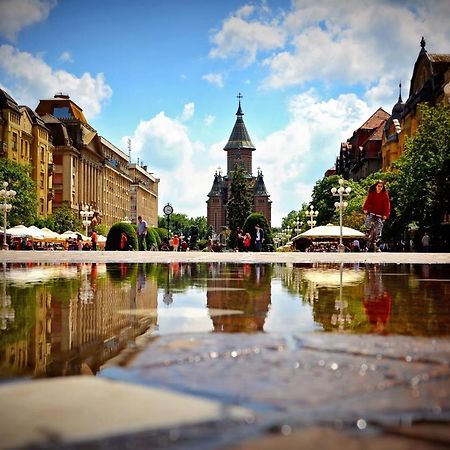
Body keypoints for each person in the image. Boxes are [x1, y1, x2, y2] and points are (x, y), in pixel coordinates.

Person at [362, 180, 390, 251]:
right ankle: (367, 231)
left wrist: (386, 215)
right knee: (368, 220)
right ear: (375, 186)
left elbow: (387, 205)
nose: (380, 188)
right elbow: (367, 201)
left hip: (380, 214)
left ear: (383, 187)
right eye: (378, 186)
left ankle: (376, 242)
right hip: (372, 212)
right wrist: (365, 209)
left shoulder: (385, 195)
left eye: (381, 186)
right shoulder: (372, 193)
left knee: (379, 226)